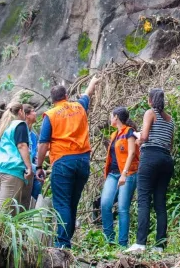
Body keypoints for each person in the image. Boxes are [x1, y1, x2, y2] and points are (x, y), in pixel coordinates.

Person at [36, 75, 100, 248]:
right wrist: (93, 81)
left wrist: (39, 165)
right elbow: (88, 94)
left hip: (63, 161)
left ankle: (63, 244)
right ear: (66, 95)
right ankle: (66, 241)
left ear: (52, 99)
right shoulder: (78, 107)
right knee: (72, 202)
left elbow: (43, 144)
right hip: (83, 161)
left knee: (62, 203)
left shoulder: (50, 115)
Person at [126, 88, 175, 254]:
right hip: (166, 159)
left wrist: (136, 135)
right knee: (160, 202)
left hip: (150, 158)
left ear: (150, 101)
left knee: (144, 199)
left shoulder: (150, 113)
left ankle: (140, 243)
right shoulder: (170, 119)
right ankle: (159, 245)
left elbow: (145, 137)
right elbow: (170, 145)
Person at [101, 107, 140, 247]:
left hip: (128, 173)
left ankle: (122, 244)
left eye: (111, 116)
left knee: (123, 208)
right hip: (113, 173)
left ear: (116, 117)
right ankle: (109, 240)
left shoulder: (129, 132)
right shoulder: (114, 135)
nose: (110, 118)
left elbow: (131, 153)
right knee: (105, 204)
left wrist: (124, 173)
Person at [0, 103, 34, 214]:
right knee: (3, 209)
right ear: (20, 111)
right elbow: (22, 145)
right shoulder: (19, 125)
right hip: (11, 170)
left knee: (12, 210)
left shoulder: (5, 127)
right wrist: (29, 167)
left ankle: (5, 231)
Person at [25, 105, 43, 203]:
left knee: (39, 178)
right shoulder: (20, 131)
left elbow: (35, 154)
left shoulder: (33, 135)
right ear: (27, 115)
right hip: (21, 165)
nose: (36, 113)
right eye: (33, 111)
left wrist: (38, 168)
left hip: (31, 166)